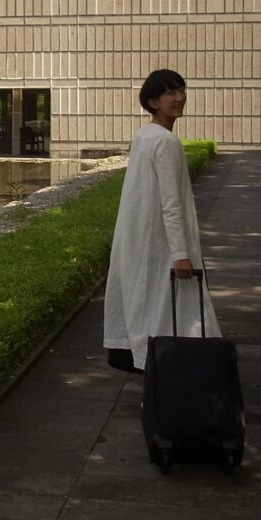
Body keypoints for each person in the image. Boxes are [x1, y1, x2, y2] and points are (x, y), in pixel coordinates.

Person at [104, 69, 221, 372]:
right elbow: (172, 204)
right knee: (175, 315)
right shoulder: (165, 142)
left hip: (141, 240)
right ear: (153, 102)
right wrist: (181, 254)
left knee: (149, 310)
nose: (179, 98)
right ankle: (174, 381)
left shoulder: (144, 135)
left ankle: (153, 379)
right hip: (162, 245)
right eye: (170, 93)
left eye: (181, 90)